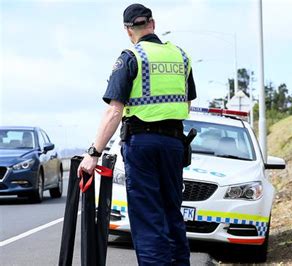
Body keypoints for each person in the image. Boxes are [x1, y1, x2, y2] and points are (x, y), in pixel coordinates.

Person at [78, 3, 196, 265]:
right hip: (174, 143)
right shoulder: (181, 56)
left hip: (142, 143)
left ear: (128, 30)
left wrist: (93, 154)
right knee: (172, 214)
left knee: (148, 218)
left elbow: (114, 111)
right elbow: (186, 104)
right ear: (153, 23)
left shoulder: (131, 57)